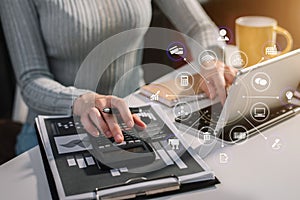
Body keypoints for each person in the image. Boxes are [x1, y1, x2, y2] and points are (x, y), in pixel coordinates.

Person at [0, 0, 237, 155]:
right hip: (59, 129)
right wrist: (80, 100)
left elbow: (199, 26)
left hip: (138, 117)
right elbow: (31, 80)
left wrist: (210, 60)